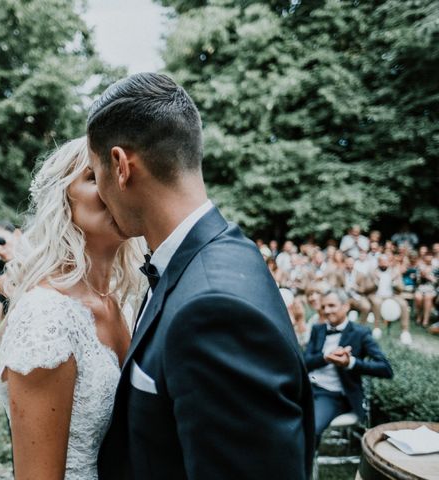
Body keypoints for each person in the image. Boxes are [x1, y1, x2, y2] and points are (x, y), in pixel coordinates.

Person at [88, 72, 314, 479]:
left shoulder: (212, 312)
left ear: (120, 166)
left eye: (94, 173)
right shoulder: (222, 253)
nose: (98, 193)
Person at [0, 138, 144, 479]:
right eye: (94, 177)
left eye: (119, 174)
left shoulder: (122, 301)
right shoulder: (46, 317)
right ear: (62, 200)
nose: (114, 187)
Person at [304, 289, 393, 447]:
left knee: (310, 429)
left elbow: (385, 369)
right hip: (307, 388)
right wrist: (325, 357)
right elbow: (304, 362)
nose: (326, 311)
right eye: (324, 307)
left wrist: (350, 363)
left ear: (346, 306)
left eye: (332, 306)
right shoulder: (318, 329)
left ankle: (303, 470)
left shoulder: (361, 333)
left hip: (334, 395)